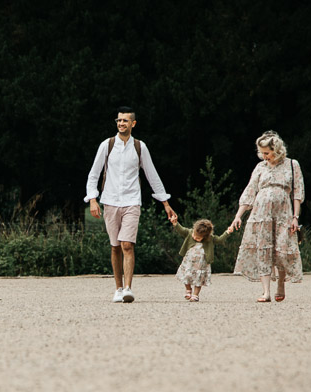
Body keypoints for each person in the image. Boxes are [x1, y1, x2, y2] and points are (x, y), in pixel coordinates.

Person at [85, 106, 177, 303]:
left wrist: (166, 203)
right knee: (115, 246)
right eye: (118, 120)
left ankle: (128, 288)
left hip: (132, 202)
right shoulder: (107, 145)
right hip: (110, 201)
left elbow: (152, 175)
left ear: (133, 123)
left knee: (127, 244)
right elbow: (94, 174)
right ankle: (118, 288)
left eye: (125, 120)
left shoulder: (140, 147)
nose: (121, 123)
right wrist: (92, 199)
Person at [229, 130, 304, 302]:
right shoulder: (260, 167)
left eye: (267, 153)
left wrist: (295, 217)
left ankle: (281, 283)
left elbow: (298, 192)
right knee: (263, 250)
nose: (264, 156)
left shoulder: (292, 164)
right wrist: (238, 216)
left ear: (276, 150)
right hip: (261, 214)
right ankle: (266, 292)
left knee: (282, 250)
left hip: (283, 214)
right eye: (261, 153)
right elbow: (250, 191)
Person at [172, 216, 233, 302]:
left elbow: (219, 240)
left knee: (199, 279)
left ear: (205, 237)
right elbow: (181, 230)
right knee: (186, 275)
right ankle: (188, 289)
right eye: (194, 235)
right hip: (189, 262)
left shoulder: (210, 239)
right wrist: (175, 223)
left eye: (198, 238)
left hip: (201, 264)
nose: (195, 238)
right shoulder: (189, 232)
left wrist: (228, 232)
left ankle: (195, 295)